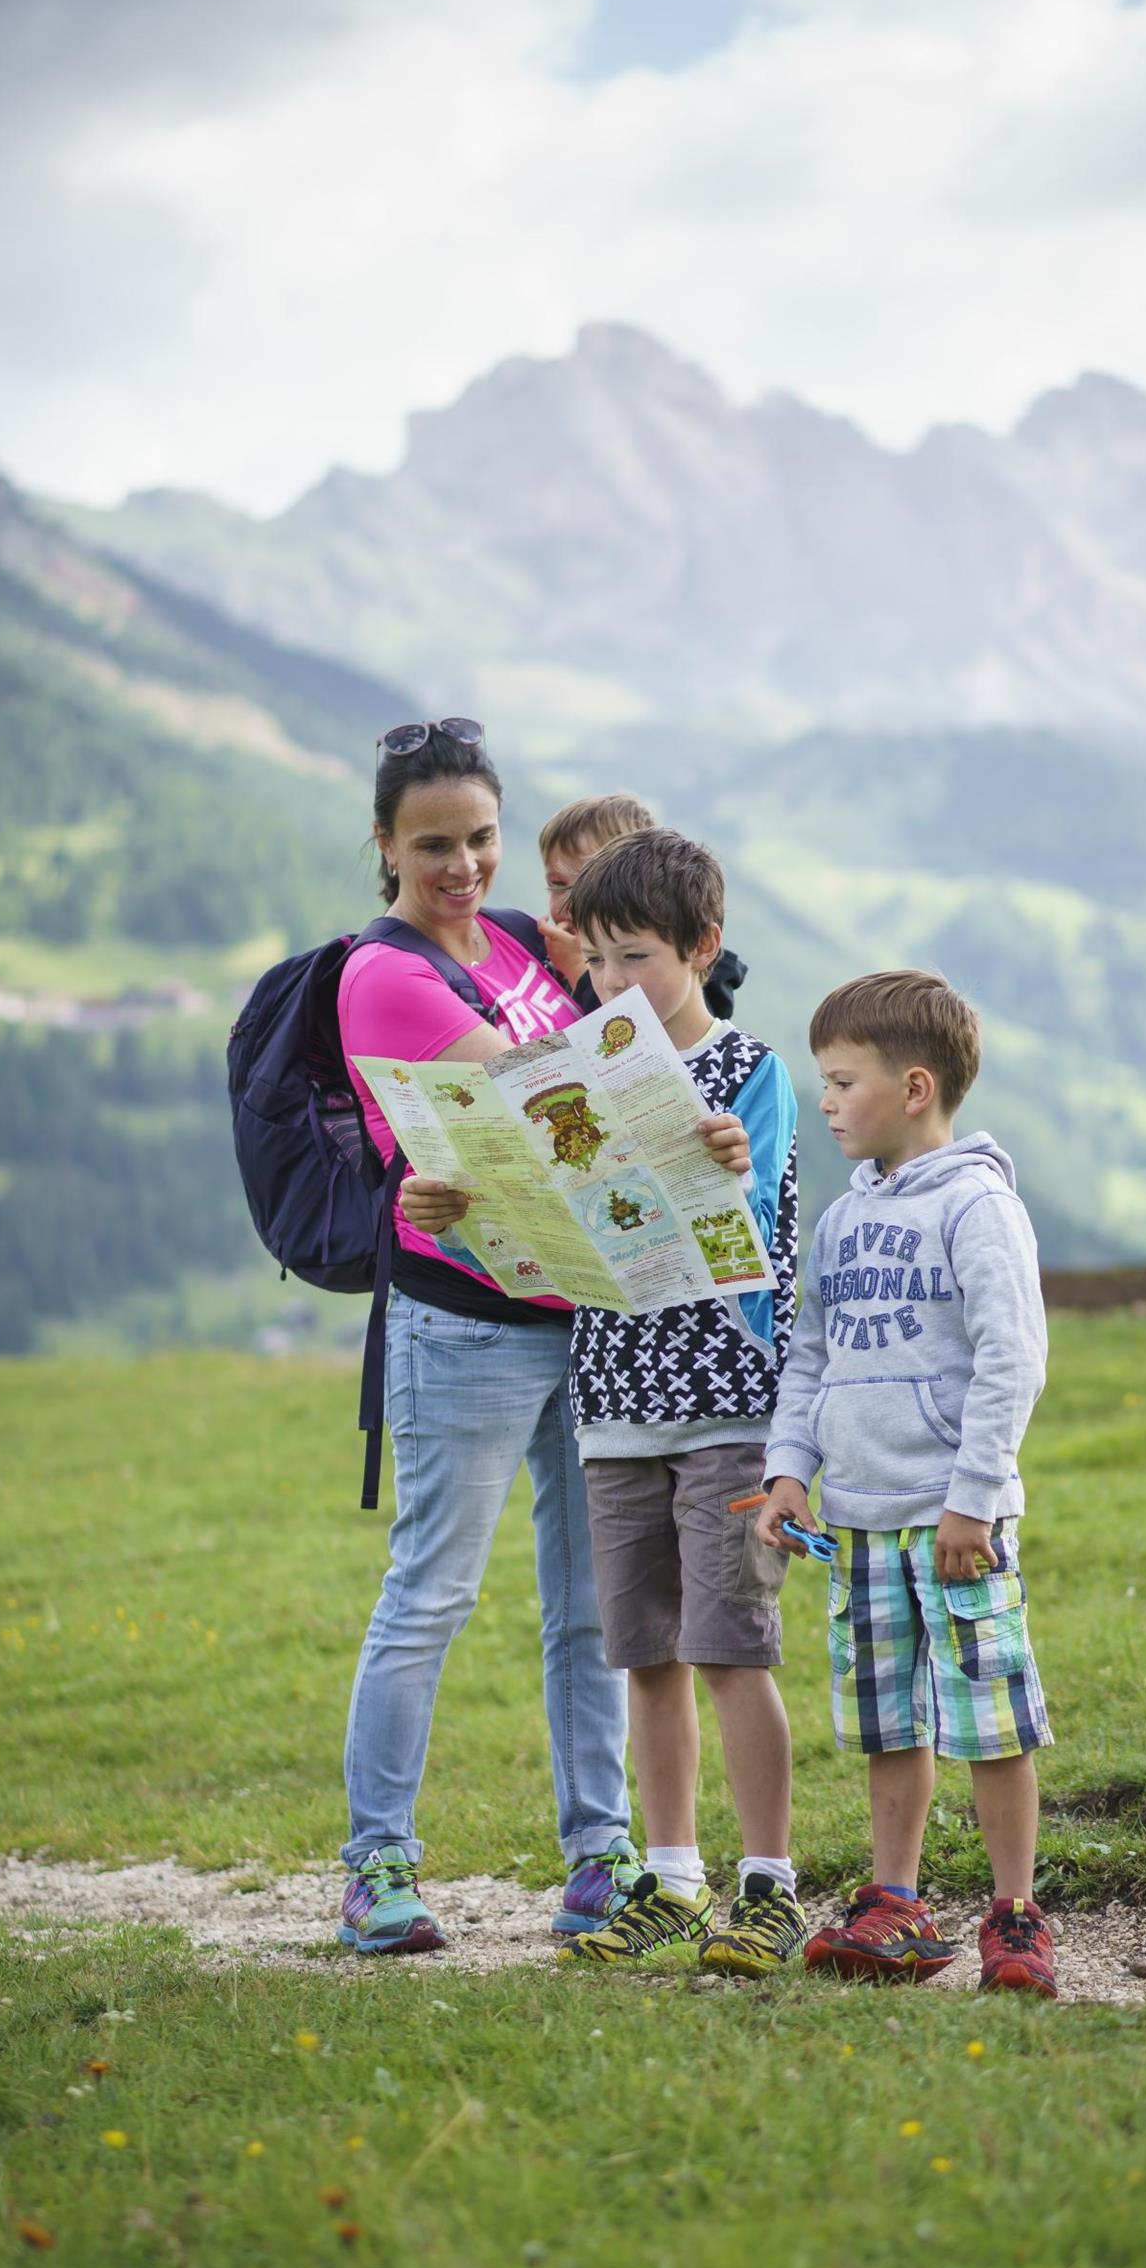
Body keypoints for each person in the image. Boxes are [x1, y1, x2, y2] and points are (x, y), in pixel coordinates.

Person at [330, 723, 675, 1953]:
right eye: (433, 845)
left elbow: (653, 1010)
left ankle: (600, 1856)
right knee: (433, 1593)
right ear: (385, 845)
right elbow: (557, 1106)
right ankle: (378, 1868)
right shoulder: (386, 975)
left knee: (594, 1606)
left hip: (579, 1316)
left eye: (482, 838)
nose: (464, 865)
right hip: (465, 1329)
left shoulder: (531, 941)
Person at [755, 969, 1060, 1998]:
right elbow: (809, 1353)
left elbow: (1011, 1356)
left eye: (843, 1082)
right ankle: (899, 1905)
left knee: (990, 1717)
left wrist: (973, 1496)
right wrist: (790, 1470)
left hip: (954, 1522)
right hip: (863, 1521)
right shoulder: (842, 1222)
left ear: (916, 1087)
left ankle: (1014, 1915)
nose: (827, 1101)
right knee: (890, 1720)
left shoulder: (978, 1206)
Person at [553, 828, 806, 1977]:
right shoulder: (572, 1076)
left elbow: (760, 1244)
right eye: (598, 961)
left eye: (638, 957)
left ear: (703, 948)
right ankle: (671, 1879)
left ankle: (769, 1887)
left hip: (729, 1405)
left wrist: (725, 1171)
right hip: (612, 1405)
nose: (614, 985)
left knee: (731, 1650)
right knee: (647, 1654)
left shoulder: (751, 1074)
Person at [537, 792, 748, 1021]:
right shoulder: (545, 954)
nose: (574, 904)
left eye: (591, 885)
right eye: (557, 885)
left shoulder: (685, 976)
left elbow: (639, 1037)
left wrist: (578, 969)